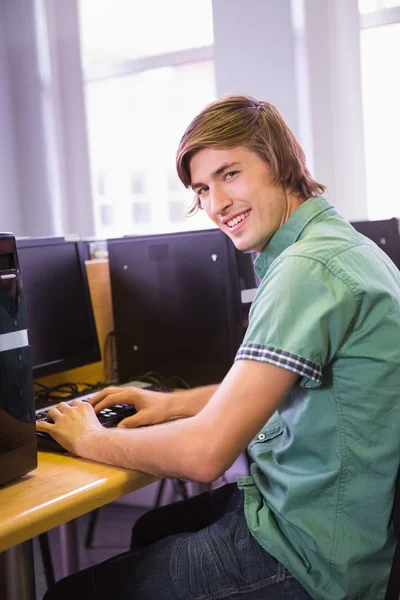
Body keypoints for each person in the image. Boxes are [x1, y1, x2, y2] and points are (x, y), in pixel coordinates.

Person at [38, 94, 400, 600]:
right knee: (150, 531)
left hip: (312, 554)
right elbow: (281, 388)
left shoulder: (307, 270)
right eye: (202, 188)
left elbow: (206, 454)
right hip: (336, 520)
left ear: (280, 162)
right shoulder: (341, 246)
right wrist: (171, 403)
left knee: (68, 595)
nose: (216, 204)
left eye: (230, 174)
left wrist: (88, 439)